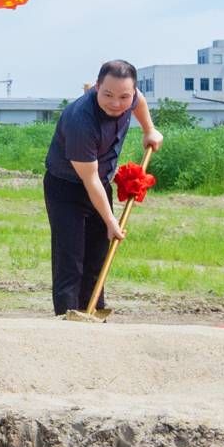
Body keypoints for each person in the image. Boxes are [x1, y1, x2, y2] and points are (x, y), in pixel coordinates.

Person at [42, 60, 158, 316]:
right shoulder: (80, 120)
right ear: (97, 87)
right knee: (70, 258)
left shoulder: (131, 97)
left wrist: (149, 130)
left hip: (100, 182)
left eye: (123, 96)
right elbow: (90, 179)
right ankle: (67, 318)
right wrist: (111, 221)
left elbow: (139, 102)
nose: (116, 103)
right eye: (108, 95)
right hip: (67, 187)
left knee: (98, 255)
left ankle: (93, 313)